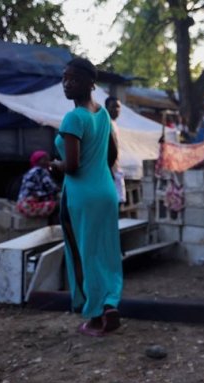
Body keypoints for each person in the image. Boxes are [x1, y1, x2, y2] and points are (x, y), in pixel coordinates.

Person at [51, 57, 122, 337]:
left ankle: (94, 317)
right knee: (106, 252)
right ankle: (110, 303)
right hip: (105, 190)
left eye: (74, 79)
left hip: (81, 196)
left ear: (91, 84)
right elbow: (112, 154)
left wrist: (55, 165)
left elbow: (72, 166)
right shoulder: (102, 114)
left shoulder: (74, 117)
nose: (68, 84)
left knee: (84, 254)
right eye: (65, 78)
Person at [16, 150, 60, 224]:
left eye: (48, 159)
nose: (48, 161)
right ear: (38, 161)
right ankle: (54, 227)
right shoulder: (41, 171)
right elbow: (52, 188)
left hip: (21, 206)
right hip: (30, 206)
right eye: (45, 159)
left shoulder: (32, 171)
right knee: (59, 205)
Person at [105, 96, 127, 204]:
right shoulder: (106, 123)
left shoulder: (113, 123)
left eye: (118, 107)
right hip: (110, 168)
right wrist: (109, 169)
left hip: (115, 167)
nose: (116, 110)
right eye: (113, 107)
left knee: (118, 201)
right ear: (106, 108)